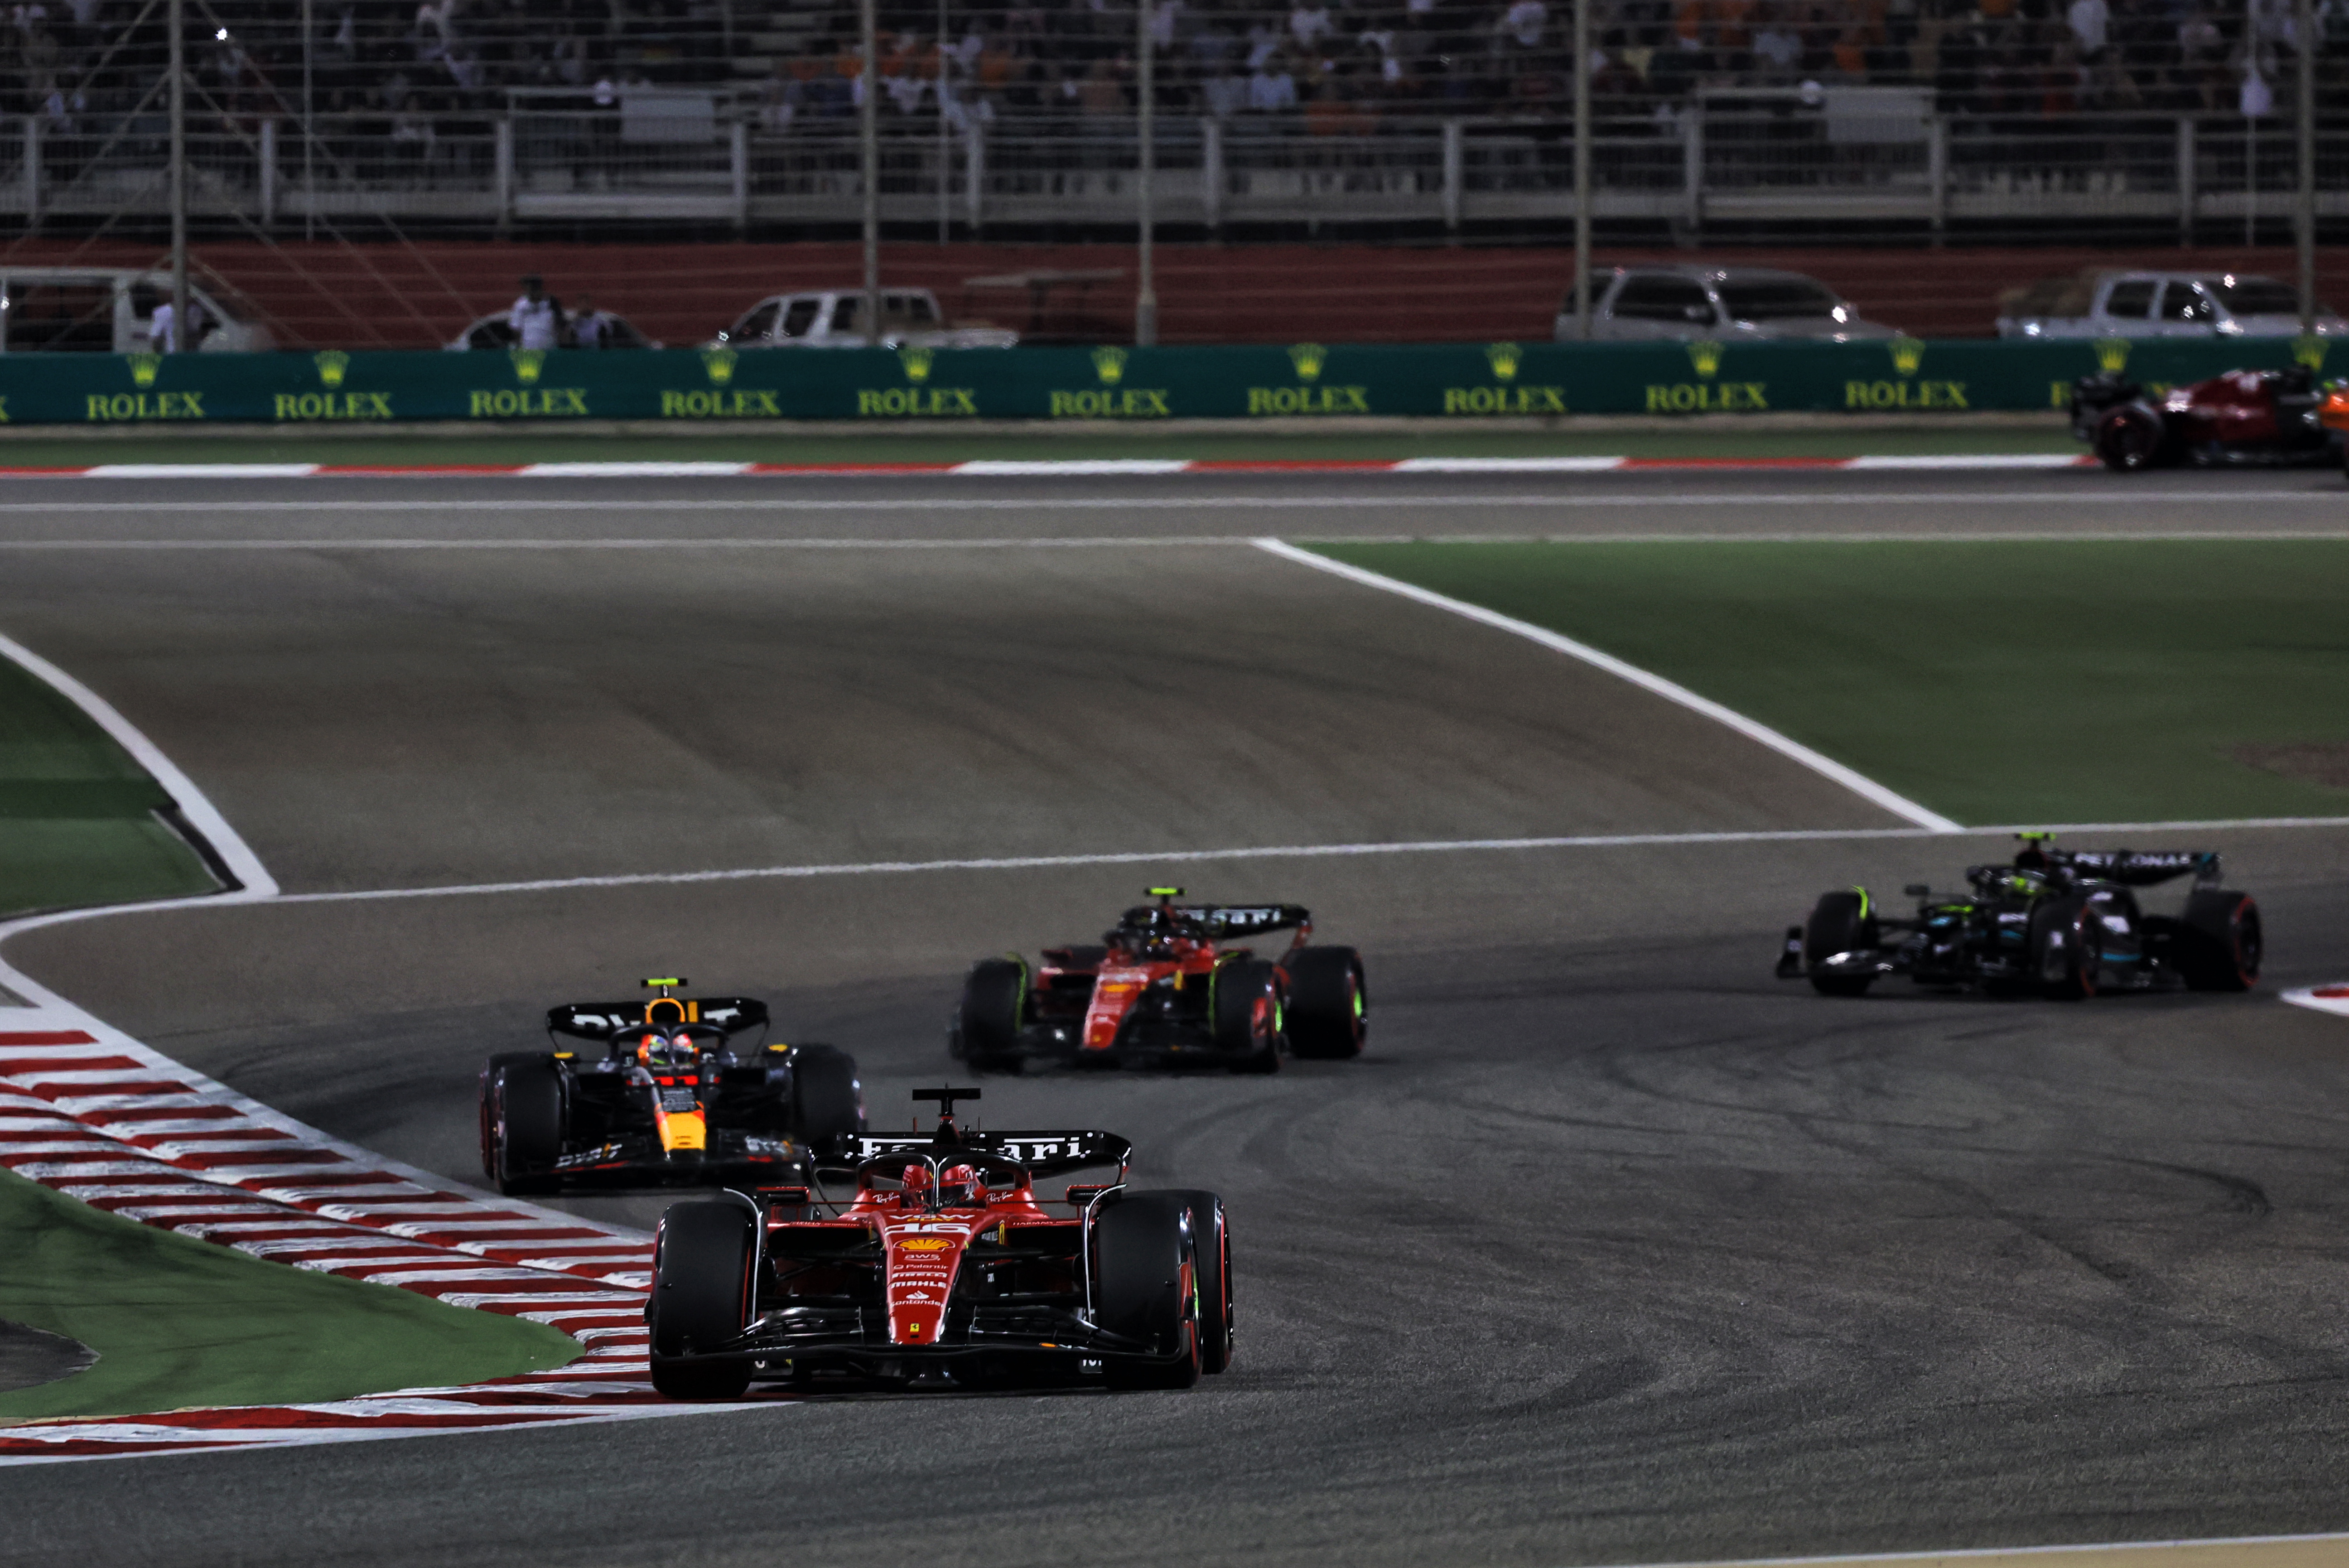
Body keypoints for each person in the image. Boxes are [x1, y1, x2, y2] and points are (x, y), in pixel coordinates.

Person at [508, 275, 560, 351]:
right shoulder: (520, 305)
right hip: (528, 349)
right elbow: (516, 328)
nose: (532, 291)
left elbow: (560, 324)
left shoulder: (551, 303)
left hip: (549, 349)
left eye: (535, 288)